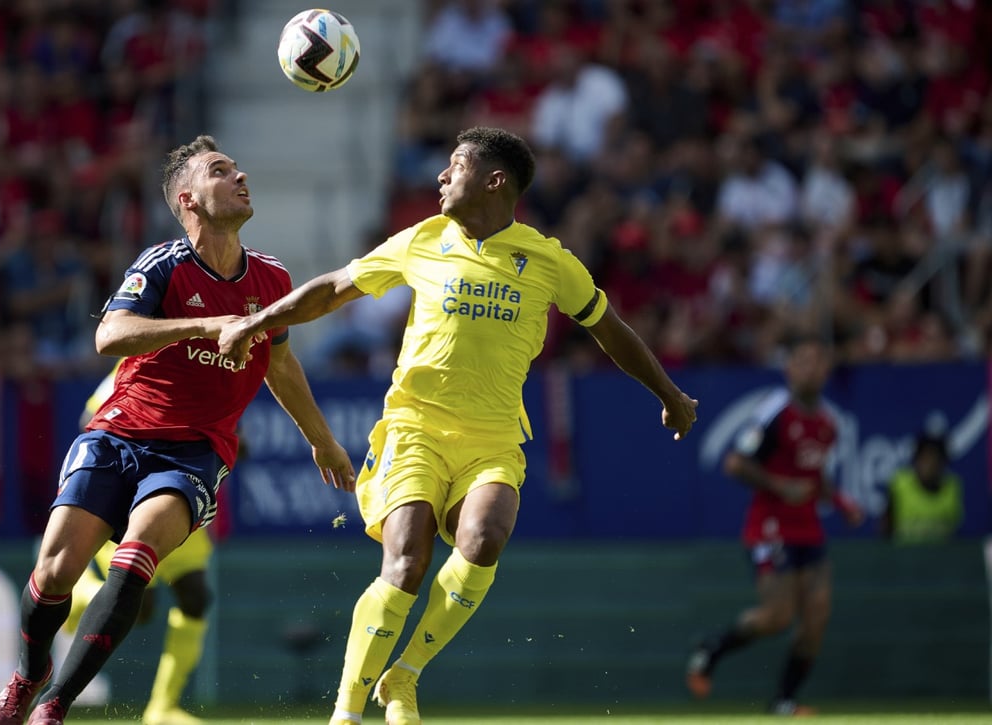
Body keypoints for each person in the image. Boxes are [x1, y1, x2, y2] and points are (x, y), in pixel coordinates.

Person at [218, 127, 699, 725]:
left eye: (456, 166)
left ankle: (404, 676)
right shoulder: (424, 239)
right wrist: (258, 321)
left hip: (493, 437)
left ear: (494, 181)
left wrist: (669, 392)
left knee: (484, 539)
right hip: (414, 428)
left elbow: (608, 329)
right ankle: (346, 712)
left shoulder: (548, 260)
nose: (442, 177)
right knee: (407, 561)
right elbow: (333, 289)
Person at [0, 135, 357, 725]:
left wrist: (321, 438)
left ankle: (54, 706)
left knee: (138, 559)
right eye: (221, 171)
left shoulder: (272, 278)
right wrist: (206, 325)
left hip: (194, 451)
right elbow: (109, 336)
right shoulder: (163, 264)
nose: (240, 177)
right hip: (118, 433)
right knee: (55, 569)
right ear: (189, 199)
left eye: (238, 168)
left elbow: (280, 364)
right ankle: (29, 675)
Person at [686, 335, 864, 716]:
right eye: (801, 360)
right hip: (769, 527)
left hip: (808, 527)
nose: (809, 368)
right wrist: (780, 485)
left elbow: (816, 476)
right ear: (788, 369)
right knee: (777, 617)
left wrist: (842, 503)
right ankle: (712, 647)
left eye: (817, 361)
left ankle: (784, 700)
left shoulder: (828, 424)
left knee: (817, 616)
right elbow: (735, 462)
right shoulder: (774, 412)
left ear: (826, 370)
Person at [62, 360, 219, 725]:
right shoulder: (143, 359)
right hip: (135, 494)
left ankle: (162, 707)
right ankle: (77, 597)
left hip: (181, 490)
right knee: (137, 607)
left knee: (196, 595)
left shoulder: (222, 367)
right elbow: (91, 417)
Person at [882, 431, 963, 544]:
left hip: (940, 559)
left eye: (935, 459)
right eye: (924, 459)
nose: (929, 465)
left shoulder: (952, 488)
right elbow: (885, 528)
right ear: (916, 460)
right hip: (904, 559)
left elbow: (954, 531)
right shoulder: (900, 485)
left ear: (942, 463)